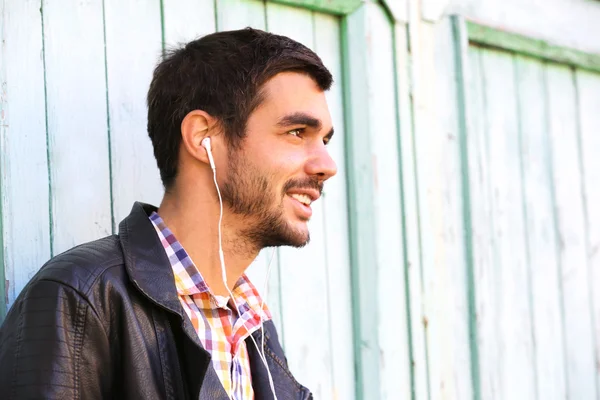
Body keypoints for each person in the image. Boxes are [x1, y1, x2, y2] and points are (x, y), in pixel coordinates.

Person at [0, 27, 337, 399]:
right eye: (296, 131)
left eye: (324, 140)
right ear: (202, 137)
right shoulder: (83, 300)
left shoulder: (253, 326)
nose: (326, 164)